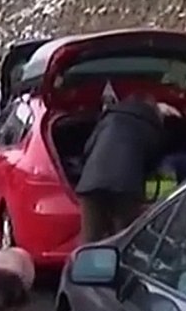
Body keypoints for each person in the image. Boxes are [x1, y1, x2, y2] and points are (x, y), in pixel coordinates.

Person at [76, 86, 179, 243]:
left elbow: (87, 149)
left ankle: (81, 266)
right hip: (126, 188)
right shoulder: (151, 126)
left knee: (89, 240)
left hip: (91, 184)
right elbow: (152, 165)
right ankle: (117, 265)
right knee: (123, 240)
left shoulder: (108, 118)